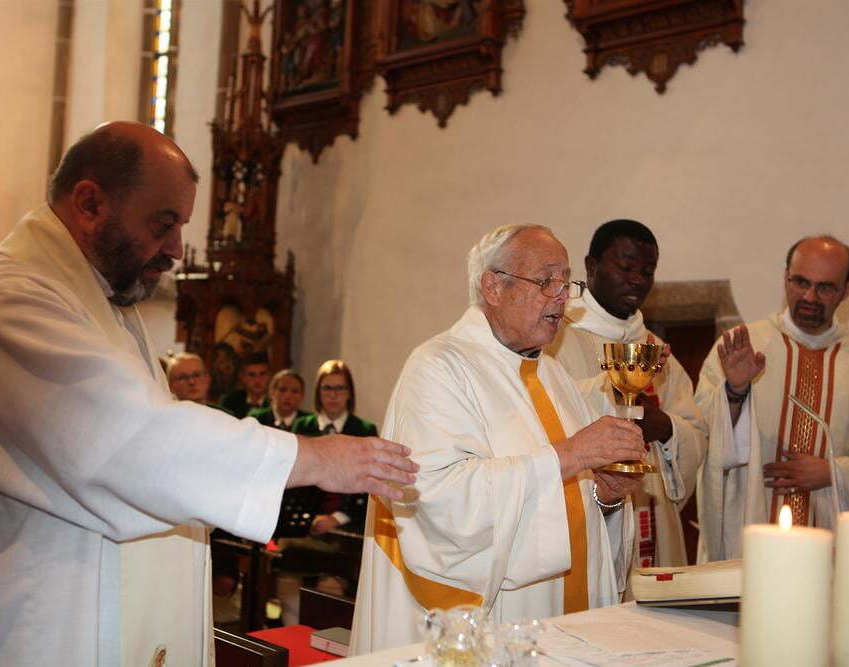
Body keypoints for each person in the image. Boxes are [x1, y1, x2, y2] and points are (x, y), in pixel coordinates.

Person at [0, 121, 417, 666]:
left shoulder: (100, 303)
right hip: (32, 639)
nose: (178, 249)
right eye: (163, 224)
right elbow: (127, 442)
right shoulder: (3, 302)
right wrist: (315, 457)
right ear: (89, 203)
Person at [351, 224, 647, 654]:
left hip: (570, 616)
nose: (562, 297)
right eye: (546, 281)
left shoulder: (555, 375)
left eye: (567, 283)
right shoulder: (438, 367)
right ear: (493, 286)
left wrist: (608, 498)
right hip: (494, 624)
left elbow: (575, 498)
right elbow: (434, 499)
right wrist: (570, 455)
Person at [695, 236, 849, 561]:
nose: (810, 297)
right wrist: (735, 391)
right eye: (801, 282)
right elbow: (701, 436)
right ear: (786, 277)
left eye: (825, 287)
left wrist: (834, 472)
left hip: (834, 548)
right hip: (751, 541)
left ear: (847, 290)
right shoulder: (741, 346)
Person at [547, 220, 706, 573]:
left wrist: (666, 428)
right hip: (589, 516)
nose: (637, 280)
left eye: (647, 271)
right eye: (626, 267)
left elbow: (696, 433)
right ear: (591, 266)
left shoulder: (654, 349)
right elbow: (547, 421)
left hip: (654, 519)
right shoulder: (556, 341)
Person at [294, 359, 379, 535]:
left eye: (340, 388)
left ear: (350, 393)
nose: (333, 395)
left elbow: (369, 485)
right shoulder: (301, 426)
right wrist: (307, 517)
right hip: (301, 520)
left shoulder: (364, 430)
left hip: (347, 525)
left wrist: (337, 518)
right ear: (318, 392)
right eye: (327, 388)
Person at [219, 352, 272, 417]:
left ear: (269, 376)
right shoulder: (229, 401)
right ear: (243, 377)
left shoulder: (276, 402)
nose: (257, 380)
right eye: (252, 375)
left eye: (262, 374)